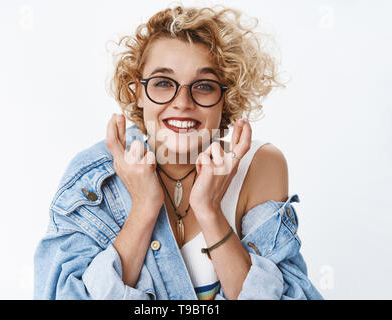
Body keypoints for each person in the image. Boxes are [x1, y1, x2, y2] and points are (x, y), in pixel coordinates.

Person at [34, 5, 323, 300]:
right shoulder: (95, 175)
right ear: (137, 90)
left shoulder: (260, 166)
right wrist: (144, 207)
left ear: (227, 95)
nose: (182, 102)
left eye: (204, 86)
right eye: (162, 83)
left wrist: (210, 211)